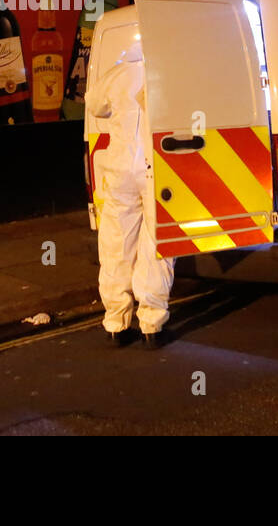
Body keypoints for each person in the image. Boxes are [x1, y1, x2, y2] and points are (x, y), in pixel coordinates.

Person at [85, 34, 175, 349]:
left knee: (116, 244)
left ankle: (116, 322)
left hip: (120, 167)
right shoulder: (166, 72)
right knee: (157, 243)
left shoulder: (119, 72)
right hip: (156, 166)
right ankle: (152, 323)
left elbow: (94, 104)